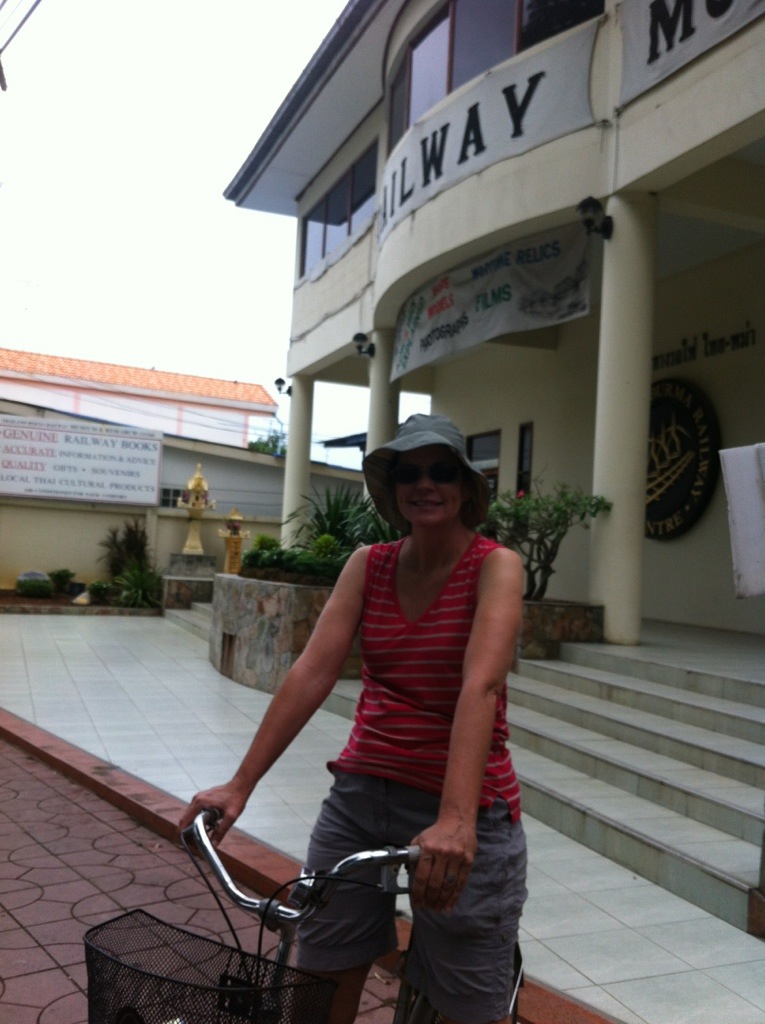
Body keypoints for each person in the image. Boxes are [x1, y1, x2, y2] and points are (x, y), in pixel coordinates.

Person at [179, 414, 527, 1024]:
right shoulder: (370, 564)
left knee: (466, 1000)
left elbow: (482, 684)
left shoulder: (495, 567)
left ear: (465, 486)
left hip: (463, 803)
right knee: (319, 976)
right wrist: (240, 784)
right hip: (361, 798)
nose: (425, 484)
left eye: (441, 471)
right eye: (408, 474)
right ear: (392, 489)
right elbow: (312, 672)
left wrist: (456, 819)